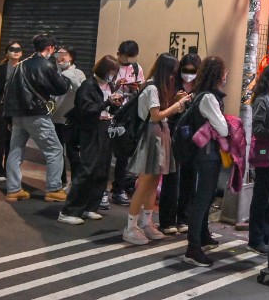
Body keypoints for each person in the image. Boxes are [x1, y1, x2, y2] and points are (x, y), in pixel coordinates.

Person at [123, 53, 189, 245]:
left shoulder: (156, 87)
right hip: (151, 135)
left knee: (153, 181)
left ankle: (146, 223)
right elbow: (156, 115)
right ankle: (130, 227)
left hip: (159, 134)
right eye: (173, 72)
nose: (174, 77)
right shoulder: (152, 87)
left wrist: (174, 101)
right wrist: (177, 105)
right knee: (144, 183)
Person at [3, 34, 71, 202]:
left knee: (15, 151)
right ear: (49, 48)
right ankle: (54, 188)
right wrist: (64, 73)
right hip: (36, 115)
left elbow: (9, 90)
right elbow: (60, 88)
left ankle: (13, 189)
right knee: (54, 150)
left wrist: (8, 116)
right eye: (53, 49)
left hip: (17, 115)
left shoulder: (20, 65)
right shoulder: (46, 65)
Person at [58, 56, 123, 225]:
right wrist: (106, 102)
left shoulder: (109, 85)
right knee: (87, 169)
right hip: (90, 130)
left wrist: (115, 104)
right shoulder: (88, 86)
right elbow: (86, 110)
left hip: (105, 128)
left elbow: (108, 107)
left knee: (102, 169)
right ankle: (69, 211)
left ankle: (90, 207)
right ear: (103, 70)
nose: (113, 75)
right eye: (111, 71)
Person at [182, 56, 230, 266]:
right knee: (202, 199)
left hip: (203, 154)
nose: (226, 75)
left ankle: (202, 236)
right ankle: (193, 248)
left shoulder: (201, 94)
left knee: (205, 197)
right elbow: (223, 128)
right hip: (206, 155)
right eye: (224, 71)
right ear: (217, 74)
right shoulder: (209, 98)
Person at [159, 52, 201, 235]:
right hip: (173, 133)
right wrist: (175, 102)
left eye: (193, 71)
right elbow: (162, 109)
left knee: (189, 178)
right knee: (171, 178)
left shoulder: (200, 89)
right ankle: (167, 221)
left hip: (193, 137)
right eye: (185, 70)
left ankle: (184, 218)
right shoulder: (171, 85)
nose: (188, 74)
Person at [247, 63, 269, 254]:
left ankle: (268, 236)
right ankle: (256, 238)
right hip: (264, 153)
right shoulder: (262, 100)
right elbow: (257, 128)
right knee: (261, 196)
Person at [107, 40, 146, 209]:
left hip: (128, 115)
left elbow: (142, 88)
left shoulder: (137, 68)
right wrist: (115, 84)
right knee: (106, 152)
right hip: (111, 113)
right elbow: (103, 87)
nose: (128, 60)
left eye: (131, 57)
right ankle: (100, 190)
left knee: (123, 155)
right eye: (125, 56)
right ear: (118, 54)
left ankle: (118, 189)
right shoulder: (111, 66)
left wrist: (135, 87)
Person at [0, 41, 23, 181]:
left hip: (17, 110)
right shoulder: (0, 69)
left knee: (14, 141)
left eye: (18, 49)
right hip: (1, 108)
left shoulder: (23, 68)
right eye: (12, 49)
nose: (15, 51)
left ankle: (11, 171)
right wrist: (7, 85)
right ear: (7, 52)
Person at [52, 46, 86, 188]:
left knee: (72, 153)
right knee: (56, 152)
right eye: (58, 55)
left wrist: (68, 75)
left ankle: (75, 183)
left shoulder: (78, 73)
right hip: (54, 118)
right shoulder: (54, 73)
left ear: (71, 57)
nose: (60, 58)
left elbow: (82, 91)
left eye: (64, 55)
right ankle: (60, 181)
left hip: (71, 120)